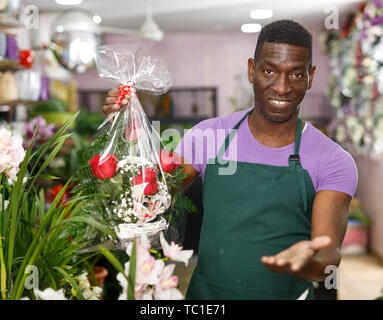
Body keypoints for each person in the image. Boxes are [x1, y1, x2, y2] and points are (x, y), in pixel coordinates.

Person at [103, 20, 358, 300]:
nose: (282, 87)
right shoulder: (208, 137)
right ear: (252, 70)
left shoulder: (333, 160)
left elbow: (328, 254)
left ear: (311, 76)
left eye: (296, 75)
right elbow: (154, 196)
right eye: (270, 71)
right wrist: (127, 128)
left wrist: (309, 262)